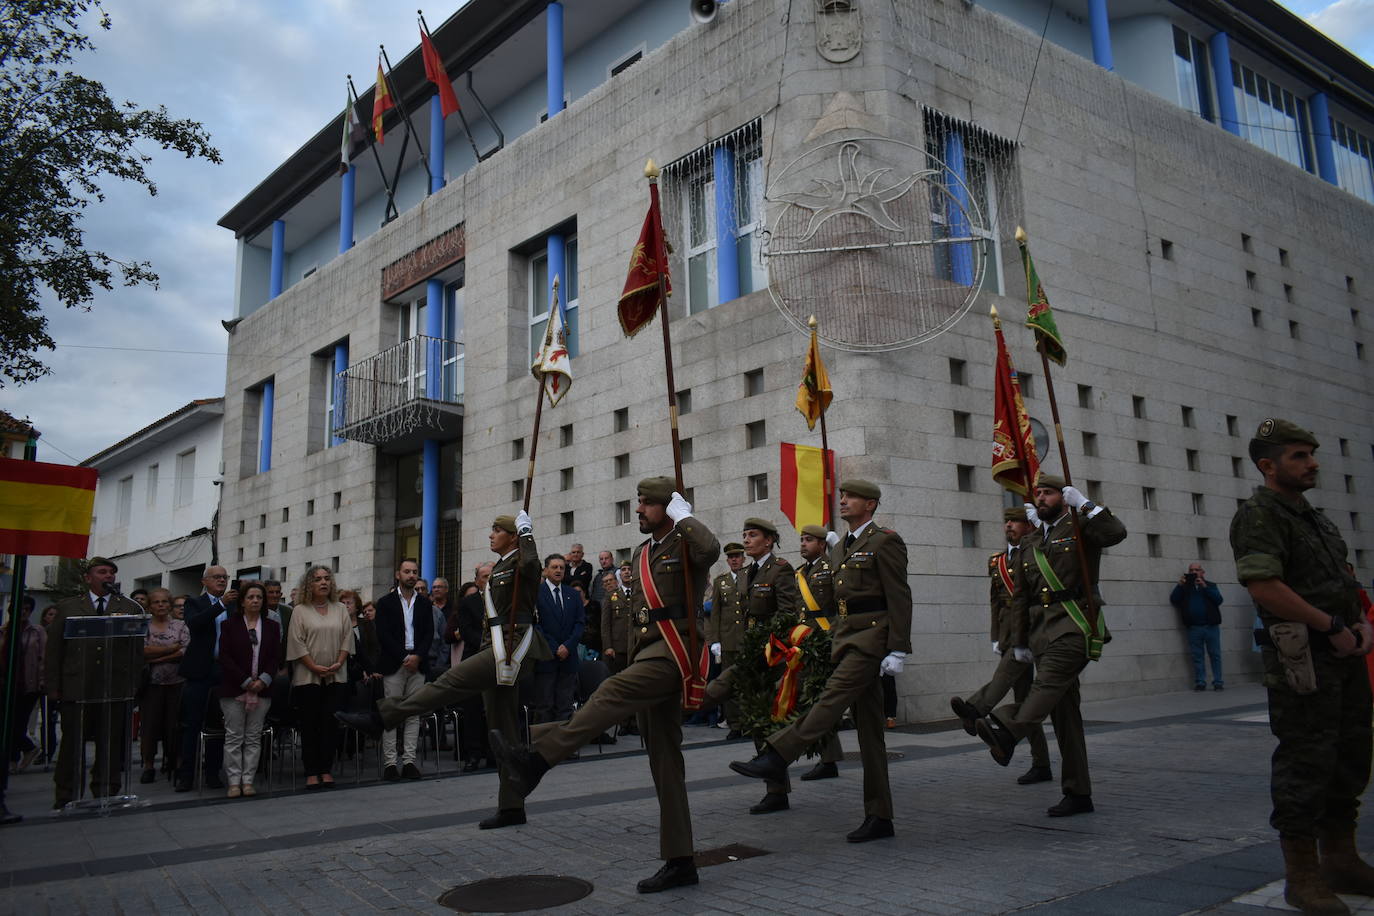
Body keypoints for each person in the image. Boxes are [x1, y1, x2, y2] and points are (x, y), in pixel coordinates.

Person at [490, 478, 720, 893]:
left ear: (667, 508)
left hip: (674, 653)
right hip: (648, 652)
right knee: (664, 761)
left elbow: (711, 551)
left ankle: (538, 758)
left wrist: (686, 517)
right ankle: (681, 859)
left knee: (609, 695)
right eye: (639, 504)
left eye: (646, 504)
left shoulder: (686, 541)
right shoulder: (644, 552)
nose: (638, 511)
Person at [1231, 418, 1374, 914]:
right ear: (1269, 465)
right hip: (1304, 660)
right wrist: (1330, 626)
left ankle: (1341, 858)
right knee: (1305, 762)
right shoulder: (1259, 516)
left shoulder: (1315, 518)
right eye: (1298, 455)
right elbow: (1264, 586)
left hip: (1345, 654)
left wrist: (1360, 625)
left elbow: (1344, 580)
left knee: (1350, 755)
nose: (1312, 463)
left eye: (1312, 454)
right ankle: (1303, 875)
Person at [336, 512, 552, 828]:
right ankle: (511, 806)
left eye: (497, 530)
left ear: (512, 536)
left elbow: (533, 567)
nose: (490, 535)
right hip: (493, 645)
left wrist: (527, 532)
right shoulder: (502, 567)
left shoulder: (522, 561)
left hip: (511, 647)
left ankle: (382, 718)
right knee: (502, 730)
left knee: (450, 682)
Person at [729, 481, 910, 843]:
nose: (843, 501)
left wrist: (897, 648)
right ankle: (880, 815)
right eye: (842, 496)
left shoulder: (884, 540)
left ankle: (779, 753)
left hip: (871, 639)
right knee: (870, 736)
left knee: (831, 698)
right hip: (844, 639)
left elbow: (899, 594)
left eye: (852, 497)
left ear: (870, 504)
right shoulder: (841, 546)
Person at [973, 474, 1127, 818]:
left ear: (1063, 497)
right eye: (1038, 494)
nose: (1041, 498)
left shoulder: (1081, 526)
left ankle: (1007, 729)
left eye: (1049, 493)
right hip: (1042, 633)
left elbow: (1116, 533)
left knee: (1046, 685)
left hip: (1075, 626)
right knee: (1064, 715)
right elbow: (1021, 598)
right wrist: (1020, 642)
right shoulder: (1032, 542)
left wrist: (1085, 504)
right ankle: (1078, 792)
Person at [950, 507, 1053, 786]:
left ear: (1029, 526)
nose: (1009, 525)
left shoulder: (1034, 554)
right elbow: (996, 601)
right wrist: (996, 635)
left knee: (1005, 674)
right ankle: (1040, 762)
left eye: (1016, 521)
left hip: (1033, 629)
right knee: (1024, 703)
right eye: (1007, 521)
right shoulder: (996, 561)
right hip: (1010, 632)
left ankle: (976, 708)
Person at [45, 557, 146, 807]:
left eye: (112, 573)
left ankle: (107, 789)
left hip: (114, 687)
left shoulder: (128, 606)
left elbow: (136, 650)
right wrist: (53, 686)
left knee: (110, 742)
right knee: (72, 744)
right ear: (88, 578)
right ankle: (66, 793)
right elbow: (55, 650)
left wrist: (133, 684)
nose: (108, 576)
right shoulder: (68, 607)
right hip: (78, 686)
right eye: (102, 572)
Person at [287, 566, 354, 790]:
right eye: (317, 579)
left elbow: (347, 637)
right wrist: (314, 666)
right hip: (308, 676)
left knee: (330, 724)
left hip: (336, 675)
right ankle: (311, 771)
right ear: (309, 584)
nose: (323, 582)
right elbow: (296, 642)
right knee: (310, 725)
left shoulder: (340, 609)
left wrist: (339, 662)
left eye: (327, 578)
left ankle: (326, 769)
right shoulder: (300, 610)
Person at [217, 581, 280, 798]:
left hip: (262, 689)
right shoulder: (229, 624)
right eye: (251, 597)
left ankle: (248, 780)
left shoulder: (272, 626)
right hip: (234, 688)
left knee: (253, 736)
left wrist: (263, 680)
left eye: (259, 598)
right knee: (234, 737)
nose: (255, 601)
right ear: (242, 601)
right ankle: (234, 781)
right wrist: (245, 681)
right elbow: (224, 656)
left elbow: (275, 657)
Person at [793, 523, 846, 781]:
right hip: (804, 642)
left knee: (821, 700)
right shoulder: (800, 573)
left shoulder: (831, 568)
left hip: (825, 639)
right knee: (811, 699)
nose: (803, 544)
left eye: (809, 540)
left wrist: (833, 635)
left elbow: (840, 604)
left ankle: (829, 759)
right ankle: (826, 757)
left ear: (822, 544)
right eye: (802, 539)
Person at [374, 558, 433, 781]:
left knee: (413, 713)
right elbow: (383, 634)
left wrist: (417, 656)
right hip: (394, 663)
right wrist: (404, 656)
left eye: (414, 572)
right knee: (392, 713)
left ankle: (409, 761)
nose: (411, 575)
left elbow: (429, 633)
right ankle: (390, 763)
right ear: (398, 574)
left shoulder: (425, 603)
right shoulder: (386, 602)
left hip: (418, 663)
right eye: (407, 571)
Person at [174, 567, 230, 792]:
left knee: (217, 725)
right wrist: (220, 605)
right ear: (204, 581)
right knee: (192, 724)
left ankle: (213, 773)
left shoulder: (233, 605)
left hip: (223, 670)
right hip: (199, 672)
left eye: (225, 577)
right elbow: (195, 624)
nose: (222, 580)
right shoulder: (194, 603)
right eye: (217, 577)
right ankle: (186, 774)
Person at [139, 588, 188, 783]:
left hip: (177, 683)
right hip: (151, 684)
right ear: (150, 606)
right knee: (150, 726)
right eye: (156, 602)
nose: (161, 605)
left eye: (165, 602)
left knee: (174, 725)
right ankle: (148, 765)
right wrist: (170, 649)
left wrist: (158, 656)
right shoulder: (144, 626)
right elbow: (142, 651)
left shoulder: (180, 625)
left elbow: (184, 650)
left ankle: (174, 762)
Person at [533, 554, 585, 724]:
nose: (558, 570)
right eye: (554, 567)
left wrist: (568, 647)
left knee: (565, 705)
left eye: (562, 568)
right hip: (547, 657)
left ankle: (563, 747)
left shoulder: (573, 594)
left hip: (568, 658)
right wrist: (555, 647)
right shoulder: (536, 594)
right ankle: (544, 747)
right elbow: (536, 625)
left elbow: (579, 624)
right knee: (545, 704)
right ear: (545, 570)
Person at [452, 563, 494, 771]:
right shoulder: (468, 602)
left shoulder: (503, 600)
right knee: (472, 710)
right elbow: (467, 632)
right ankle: (473, 754)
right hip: (475, 659)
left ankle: (493, 753)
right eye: (485, 576)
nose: (489, 579)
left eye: (492, 575)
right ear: (477, 580)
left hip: (498, 661)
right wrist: (489, 646)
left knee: (495, 709)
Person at [707, 542, 747, 739]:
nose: (734, 560)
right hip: (728, 640)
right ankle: (735, 724)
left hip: (747, 640)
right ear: (727, 560)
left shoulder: (750, 577)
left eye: (737, 556)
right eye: (731, 557)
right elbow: (715, 613)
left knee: (748, 682)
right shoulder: (720, 582)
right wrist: (715, 640)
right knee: (729, 683)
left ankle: (750, 722)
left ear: (743, 558)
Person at [1170, 562, 1225, 691]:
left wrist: (1205, 586)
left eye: (1197, 570)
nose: (1194, 572)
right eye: (1191, 570)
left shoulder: (1210, 585)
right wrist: (1179, 585)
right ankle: (1200, 682)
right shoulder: (1185, 587)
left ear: (1202, 572)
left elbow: (1219, 600)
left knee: (1215, 655)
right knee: (1197, 656)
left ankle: (1218, 681)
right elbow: (1174, 600)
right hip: (1194, 628)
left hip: (1211, 626)